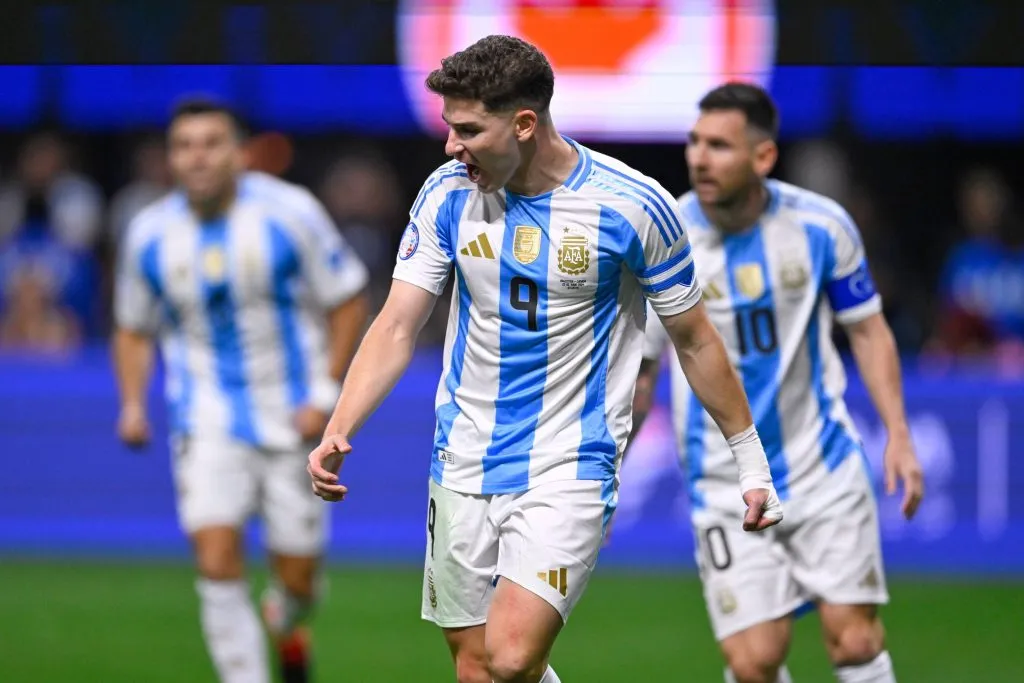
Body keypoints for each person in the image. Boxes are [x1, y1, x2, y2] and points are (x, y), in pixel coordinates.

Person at [307, 35, 783, 683]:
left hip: (571, 459)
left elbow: (695, 338)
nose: (451, 146)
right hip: (462, 456)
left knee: (509, 653)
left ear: (525, 123)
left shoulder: (634, 206)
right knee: (479, 669)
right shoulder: (447, 193)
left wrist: (750, 461)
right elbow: (396, 322)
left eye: (469, 129)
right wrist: (342, 424)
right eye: (450, 128)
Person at [634, 83, 924, 683]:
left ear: (763, 157)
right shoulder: (665, 239)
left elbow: (869, 332)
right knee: (753, 661)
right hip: (722, 481)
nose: (698, 157)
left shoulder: (822, 227)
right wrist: (612, 463)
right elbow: (643, 369)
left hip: (823, 466)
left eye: (719, 145)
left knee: (855, 640)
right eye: (694, 141)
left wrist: (898, 432)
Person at [113, 98, 369, 683]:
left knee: (300, 582)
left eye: (210, 143)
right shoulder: (150, 234)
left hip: (294, 421)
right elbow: (132, 326)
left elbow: (349, 298)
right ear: (171, 158)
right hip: (203, 420)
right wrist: (132, 403)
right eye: (184, 145)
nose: (196, 157)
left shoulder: (290, 212)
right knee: (216, 556)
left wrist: (326, 393)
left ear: (239, 153)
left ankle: (286, 621)